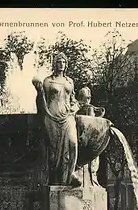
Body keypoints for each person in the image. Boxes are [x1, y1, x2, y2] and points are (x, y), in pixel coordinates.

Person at [32, 52, 82, 187]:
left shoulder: (69, 81)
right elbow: (42, 102)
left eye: (64, 62)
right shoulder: (48, 81)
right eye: (59, 61)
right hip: (51, 116)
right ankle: (54, 178)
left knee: (73, 144)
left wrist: (75, 108)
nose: (61, 64)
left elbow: (73, 99)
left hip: (67, 117)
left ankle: (70, 173)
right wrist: (39, 92)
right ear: (54, 64)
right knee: (53, 151)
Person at [75, 87, 105, 186]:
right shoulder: (78, 108)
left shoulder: (89, 108)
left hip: (89, 140)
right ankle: (89, 180)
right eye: (86, 97)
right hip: (82, 140)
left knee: (94, 160)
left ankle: (92, 179)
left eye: (89, 97)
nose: (88, 100)